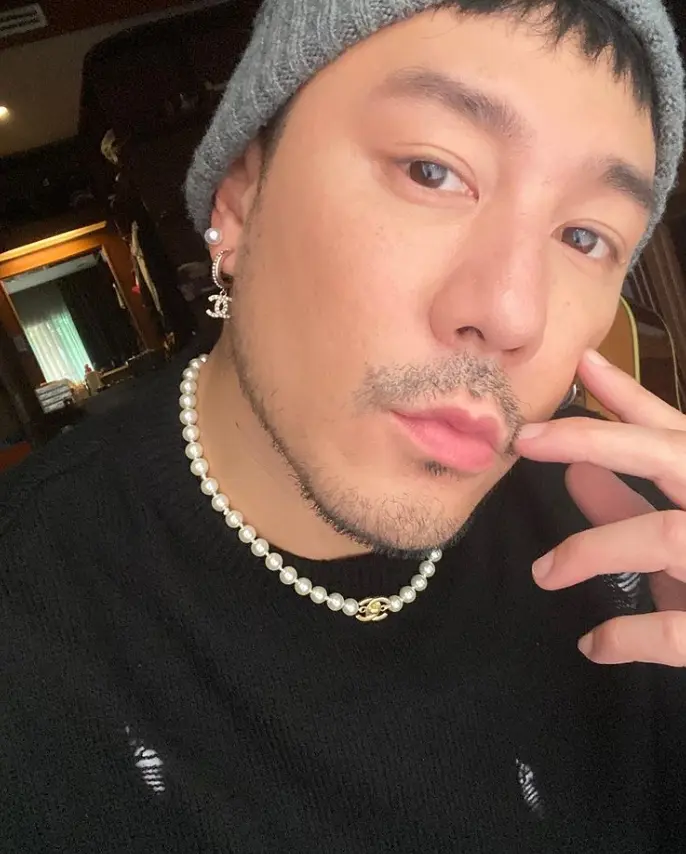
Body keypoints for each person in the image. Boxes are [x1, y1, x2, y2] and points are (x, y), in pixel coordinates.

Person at [1, 1, 686, 850]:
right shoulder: (33, 649)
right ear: (239, 203)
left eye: (584, 236)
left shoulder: (640, 538)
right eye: (432, 172)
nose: (513, 314)